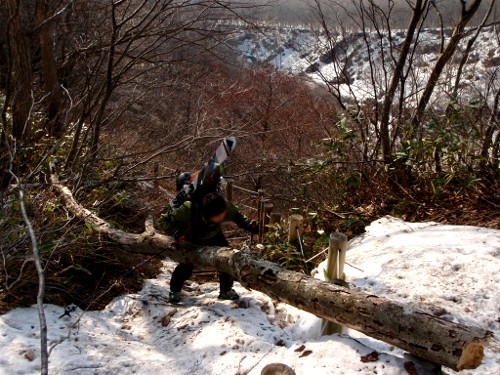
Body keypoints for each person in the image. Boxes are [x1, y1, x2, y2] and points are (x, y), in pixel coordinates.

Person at [159, 192, 258, 303]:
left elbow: (237, 216)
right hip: (192, 236)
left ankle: (225, 291)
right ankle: (174, 291)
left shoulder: (224, 206)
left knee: (227, 259)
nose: (223, 217)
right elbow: (163, 220)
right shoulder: (188, 210)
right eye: (219, 216)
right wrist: (175, 232)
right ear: (208, 214)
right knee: (186, 264)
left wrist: (249, 225)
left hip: (214, 234)